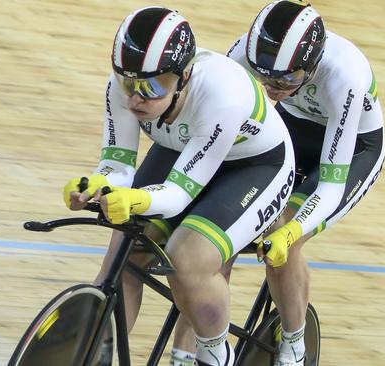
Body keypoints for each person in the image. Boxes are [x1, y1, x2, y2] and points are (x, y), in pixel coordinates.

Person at [62, 6, 296, 366]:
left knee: (188, 259)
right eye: (128, 82)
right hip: (184, 149)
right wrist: (97, 183)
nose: (136, 97)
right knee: (124, 255)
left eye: (152, 86)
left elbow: (178, 195)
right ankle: (96, 355)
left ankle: (217, 354)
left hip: (256, 167)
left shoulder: (222, 95)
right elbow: (118, 167)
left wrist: (135, 199)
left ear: (184, 76)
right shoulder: (128, 87)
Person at [223, 1, 385, 365]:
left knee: (283, 232)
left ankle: (294, 345)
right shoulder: (245, 53)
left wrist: (293, 230)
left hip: (352, 147)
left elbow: (330, 183)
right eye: (264, 77)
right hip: (290, 129)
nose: (272, 88)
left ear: (311, 66)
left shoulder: (346, 76)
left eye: (286, 81)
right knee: (229, 217)